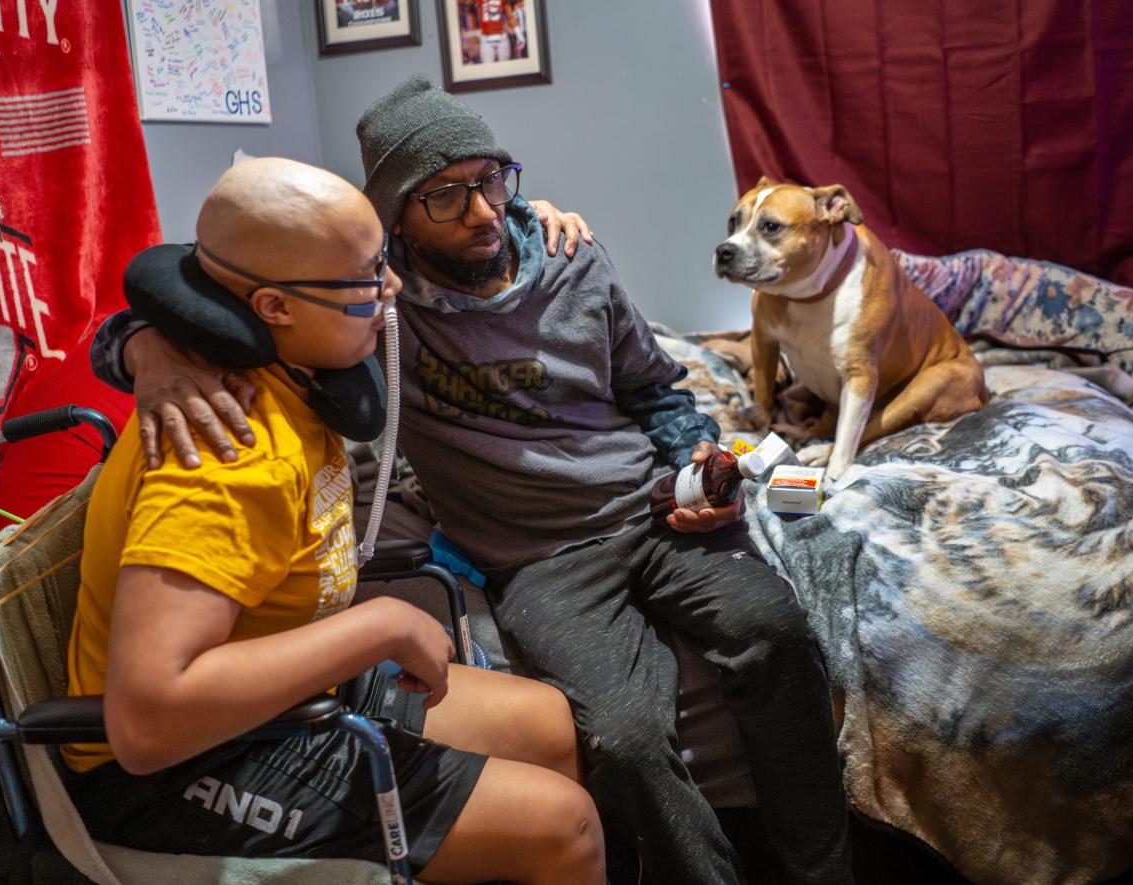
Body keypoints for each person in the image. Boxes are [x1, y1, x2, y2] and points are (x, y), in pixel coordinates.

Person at [92, 76, 852, 884]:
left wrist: (694, 463)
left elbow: (655, 390)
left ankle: (825, 871)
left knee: (772, 630)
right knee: (622, 738)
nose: (483, 211)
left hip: (653, 512)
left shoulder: (566, 257)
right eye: (445, 197)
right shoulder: (368, 313)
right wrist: (150, 349)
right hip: (540, 559)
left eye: (491, 180)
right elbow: (210, 282)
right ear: (393, 222)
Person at [66, 157, 604, 885]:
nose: (389, 288)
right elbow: (148, 720)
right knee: (560, 826)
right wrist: (375, 626)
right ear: (274, 308)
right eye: (365, 278)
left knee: (544, 720)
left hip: (276, 692)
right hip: (185, 763)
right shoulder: (226, 455)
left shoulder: (299, 373)